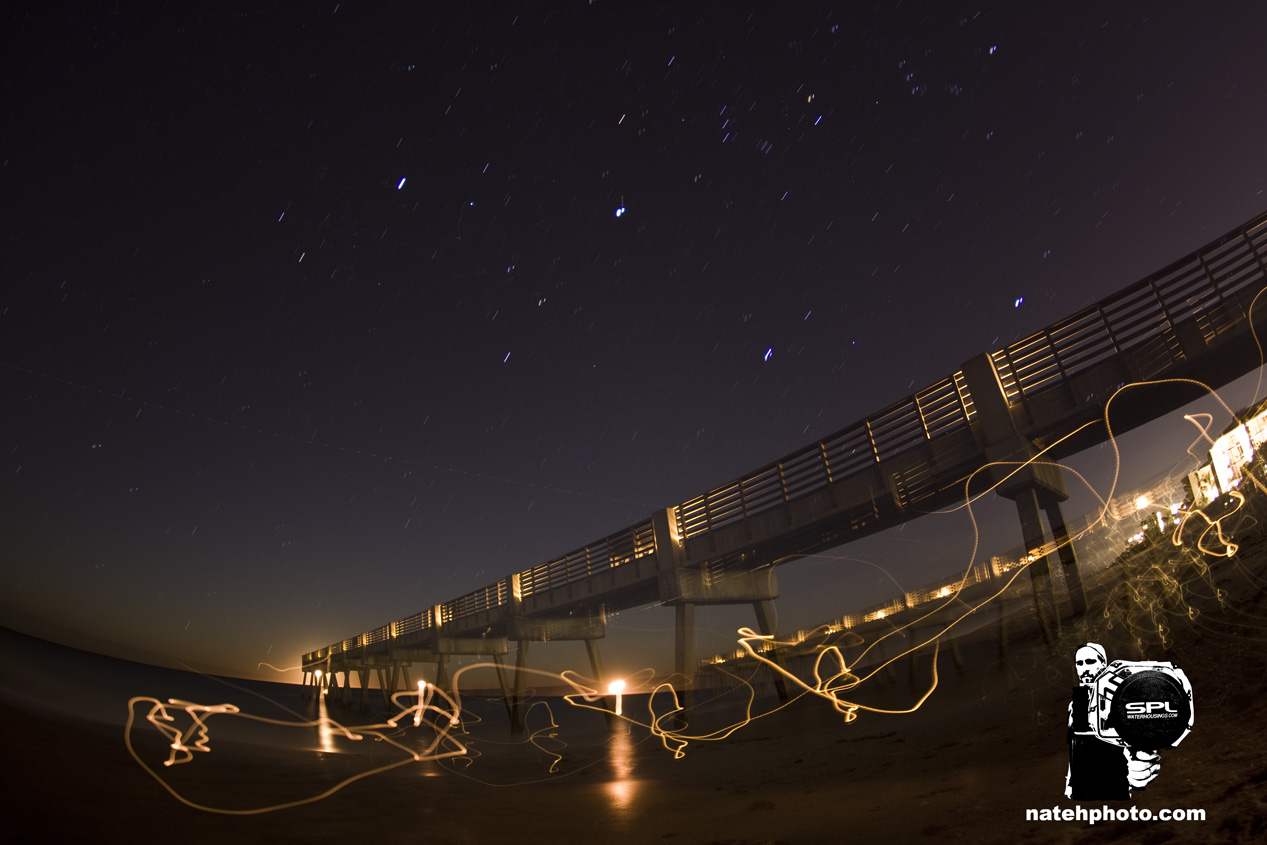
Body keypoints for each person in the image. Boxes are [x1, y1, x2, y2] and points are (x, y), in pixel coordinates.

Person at [1065, 643, 1161, 800]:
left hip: (1115, 790)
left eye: (1090, 662)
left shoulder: (1121, 697)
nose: (1084, 668)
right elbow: (1075, 745)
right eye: (1079, 663)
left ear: (1103, 663)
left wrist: (1140, 768)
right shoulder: (1077, 702)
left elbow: (1141, 741)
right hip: (1083, 793)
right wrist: (1070, 782)